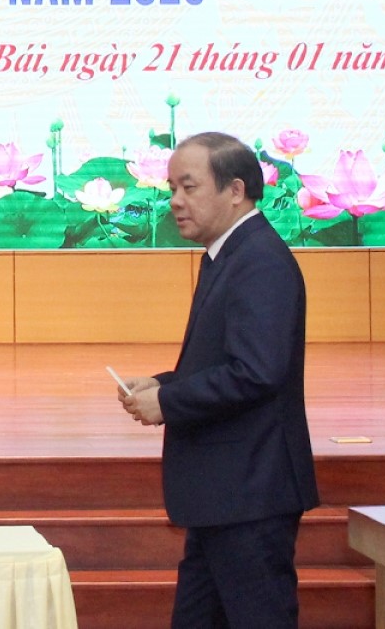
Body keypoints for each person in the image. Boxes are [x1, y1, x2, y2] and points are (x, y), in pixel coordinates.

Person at [118, 132, 318, 628]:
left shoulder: (260, 261)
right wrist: (163, 384)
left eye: (188, 187)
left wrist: (170, 402)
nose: (175, 201)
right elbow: (227, 361)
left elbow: (257, 372)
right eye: (171, 188)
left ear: (235, 190)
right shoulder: (229, 254)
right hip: (224, 494)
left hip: (249, 492)